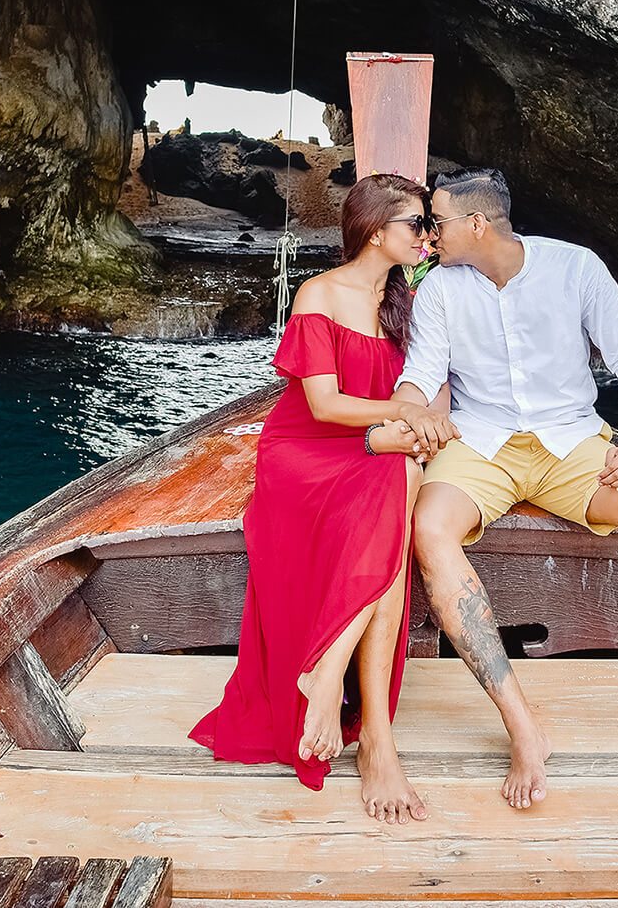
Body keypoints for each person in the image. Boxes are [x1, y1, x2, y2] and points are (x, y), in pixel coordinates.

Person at [391, 166, 618, 810]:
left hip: (573, 442)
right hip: (479, 444)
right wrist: (410, 413)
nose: (428, 237)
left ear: (477, 224)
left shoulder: (577, 268)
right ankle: (521, 723)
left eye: (437, 223)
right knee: (427, 527)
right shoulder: (439, 290)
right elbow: (420, 377)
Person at [191, 173, 451, 824]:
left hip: (376, 445)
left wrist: (414, 423)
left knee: (399, 477)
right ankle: (373, 737)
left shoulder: (411, 300)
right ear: (373, 229)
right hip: (306, 450)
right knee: (399, 480)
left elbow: (430, 388)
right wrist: (404, 418)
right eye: (415, 223)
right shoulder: (319, 294)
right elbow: (324, 404)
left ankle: (328, 674)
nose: (426, 235)